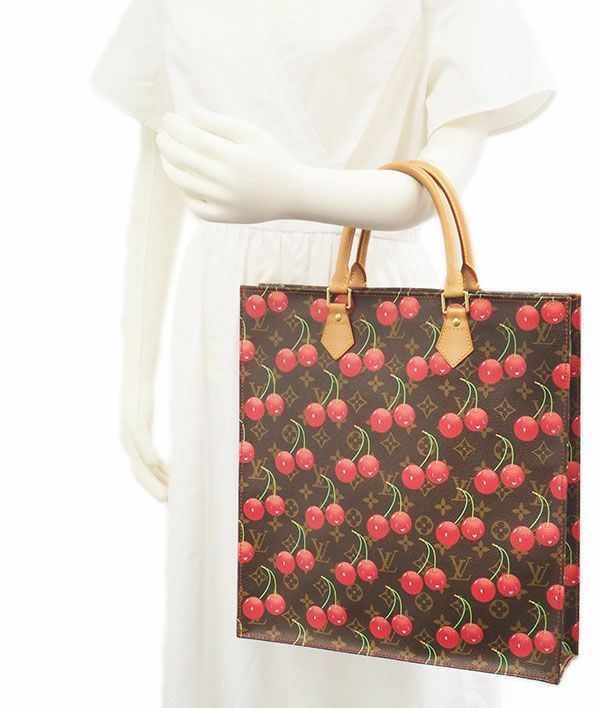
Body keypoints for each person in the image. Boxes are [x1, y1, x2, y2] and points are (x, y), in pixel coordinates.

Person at [91, 1, 556, 706]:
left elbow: (437, 181)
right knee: (244, 595)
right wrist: (136, 376)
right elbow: (159, 160)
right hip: (221, 315)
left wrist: (293, 190)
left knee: (388, 587)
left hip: (380, 318)